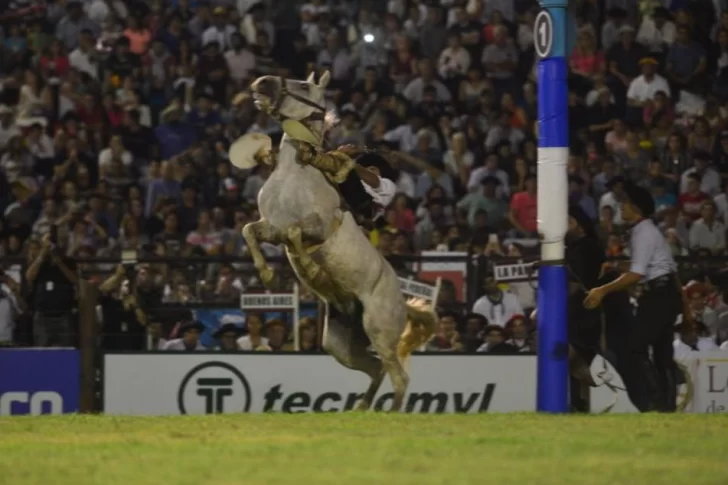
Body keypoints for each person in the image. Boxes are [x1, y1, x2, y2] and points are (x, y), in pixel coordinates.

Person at [584, 181, 681, 412]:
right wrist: (616, 267)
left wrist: (602, 289)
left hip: (657, 296)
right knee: (662, 351)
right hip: (664, 294)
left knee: (635, 347)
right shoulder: (645, 231)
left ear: (636, 207)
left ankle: (655, 399)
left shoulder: (643, 232)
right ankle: (667, 407)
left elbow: (637, 274)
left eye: (625, 203)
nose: (621, 207)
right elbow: (650, 267)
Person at [565, 205, 605, 412]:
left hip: (583, 315)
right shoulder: (575, 248)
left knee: (565, 360)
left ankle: (577, 405)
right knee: (577, 366)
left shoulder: (586, 248)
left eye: (568, 223)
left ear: (579, 226)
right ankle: (580, 406)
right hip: (579, 314)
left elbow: (578, 283)